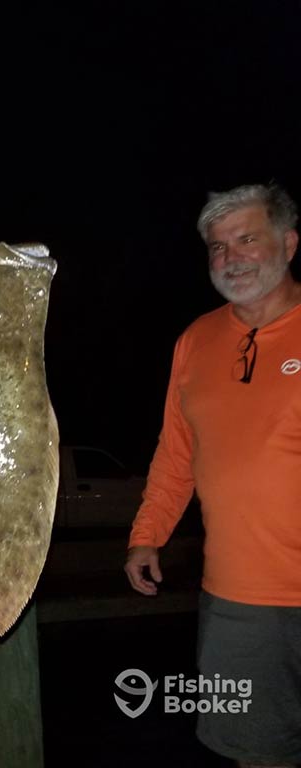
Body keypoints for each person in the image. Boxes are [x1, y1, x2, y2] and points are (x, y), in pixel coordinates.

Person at [124, 182, 301, 768]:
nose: (231, 257)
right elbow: (176, 454)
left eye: (247, 238)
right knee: (252, 752)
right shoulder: (196, 340)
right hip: (239, 598)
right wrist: (147, 533)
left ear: (289, 242)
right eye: (217, 247)